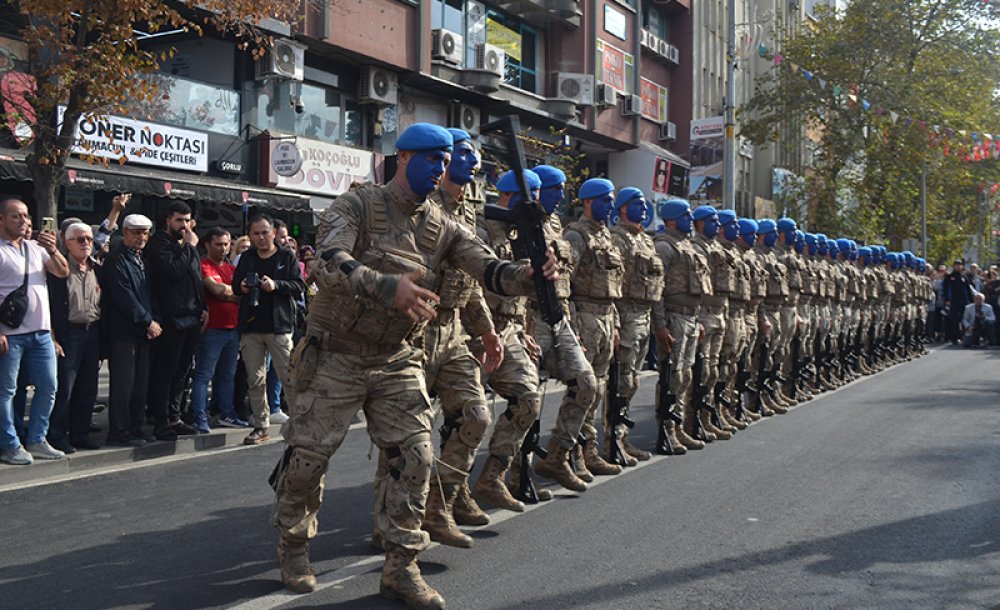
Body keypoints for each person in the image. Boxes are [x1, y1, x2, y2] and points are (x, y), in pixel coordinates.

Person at [270, 123, 558, 608]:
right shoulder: (358, 205)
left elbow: (486, 268)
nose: (439, 170)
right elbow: (327, 259)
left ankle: (401, 565)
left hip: (396, 358)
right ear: (402, 157)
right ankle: (294, 545)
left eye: (444, 163)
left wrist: (526, 276)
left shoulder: (443, 226)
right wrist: (386, 286)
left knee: (418, 455)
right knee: (307, 460)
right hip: (335, 353)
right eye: (430, 160)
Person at [417, 128, 501, 545]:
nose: (475, 161)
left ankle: (441, 504)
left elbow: (470, 283)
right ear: (443, 158)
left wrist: (486, 332)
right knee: (408, 436)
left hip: (452, 330)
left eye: (475, 154)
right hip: (414, 328)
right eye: (465, 153)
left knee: (475, 415)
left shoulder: (469, 211)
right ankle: (389, 520)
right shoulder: (422, 204)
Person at [562, 177, 625, 477]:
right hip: (584, 317)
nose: (610, 204)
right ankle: (570, 453)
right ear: (587, 202)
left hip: (606, 316)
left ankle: (590, 451)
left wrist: (616, 324)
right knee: (583, 389)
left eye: (612, 199)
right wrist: (572, 328)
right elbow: (566, 286)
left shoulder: (607, 237)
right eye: (604, 199)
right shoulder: (576, 237)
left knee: (598, 390)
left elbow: (614, 285)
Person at [0, 199, 70, 465]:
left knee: (48, 387)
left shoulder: (35, 248)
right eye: (16, 216)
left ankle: (37, 439)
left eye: (26, 216)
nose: (24, 221)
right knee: (6, 391)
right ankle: (9, 444)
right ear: (2, 220)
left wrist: (53, 250)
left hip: (41, 333)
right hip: (11, 334)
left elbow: (62, 272)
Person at [232, 214, 304, 445]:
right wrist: (242, 287)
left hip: (279, 326)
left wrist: (276, 285)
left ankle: (299, 424)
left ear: (274, 232)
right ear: (250, 236)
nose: (261, 237)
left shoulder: (286, 256)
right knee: (255, 379)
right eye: (256, 233)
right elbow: (235, 286)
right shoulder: (246, 258)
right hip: (251, 326)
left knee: (289, 377)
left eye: (265, 232)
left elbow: (298, 286)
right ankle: (261, 426)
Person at [608, 187, 663, 463]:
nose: (642, 208)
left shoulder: (646, 241)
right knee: (621, 382)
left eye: (643, 204)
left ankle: (621, 439)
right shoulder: (616, 240)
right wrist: (616, 323)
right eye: (636, 203)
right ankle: (611, 442)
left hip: (644, 317)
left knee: (632, 382)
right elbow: (612, 284)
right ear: (621, 208)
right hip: (626, 316)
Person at [145, 202, 207, 440]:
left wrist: (204, 307)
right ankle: (160, 420)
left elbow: (194, 278)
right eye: (179, 220)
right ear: (168, 221)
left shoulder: (186, 248)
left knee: (182, 371)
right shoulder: (161, 244)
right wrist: (190, 247)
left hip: (192, 317)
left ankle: (175, 416)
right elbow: (173, 271)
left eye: (187, 220)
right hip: (171, 319)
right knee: (166, 372)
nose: (184, 226)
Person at [102, 214, 160, 447]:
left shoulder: (142, 259)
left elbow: (150, 294)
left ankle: (135, 428)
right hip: (123, 332)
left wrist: (153, 320)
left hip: (142, 331)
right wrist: (148, 321)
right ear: (124, 232)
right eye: (136, 232)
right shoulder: (116, 259)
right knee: (123, 386)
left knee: (139, 385)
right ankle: (119, 431)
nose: (141, 237)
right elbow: (123, 297)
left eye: (145, 232)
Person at [47, 222, 103, 452]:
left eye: (89, 239)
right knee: (65, 388)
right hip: (69, 333)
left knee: (88, 388)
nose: (86, 244)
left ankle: (80, 434)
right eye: (80, 239)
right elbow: (48, 306)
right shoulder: (57, 270)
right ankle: (57, 435)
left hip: (93, 332)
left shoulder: (97, 268)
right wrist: (53, 337)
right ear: (67, 243)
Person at [190, 227, 246, 432]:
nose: (223, 248)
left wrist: (228, 292)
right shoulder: (203, 265)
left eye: (226, 244)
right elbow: (217, 290)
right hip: (211, 330)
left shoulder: (231, 269)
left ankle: (226, 414)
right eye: (219, 244)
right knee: (204, 375)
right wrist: (231, 292)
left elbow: (238, 294)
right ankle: (199, 416)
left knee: (227, 375)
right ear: (207, 245)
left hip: (232, 328)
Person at [943, 259, 973, 344]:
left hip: (964, 301)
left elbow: (968, 289)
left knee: (965, 319)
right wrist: (947, 300)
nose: (958, 266)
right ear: (953, 266)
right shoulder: (949, 277)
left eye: (959, 265)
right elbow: (946, 289)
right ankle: (954, 338)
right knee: (954, 320)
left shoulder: (964, 277)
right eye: (956, 265)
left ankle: (965, 336)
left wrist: (970, 300)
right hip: (953, 301)